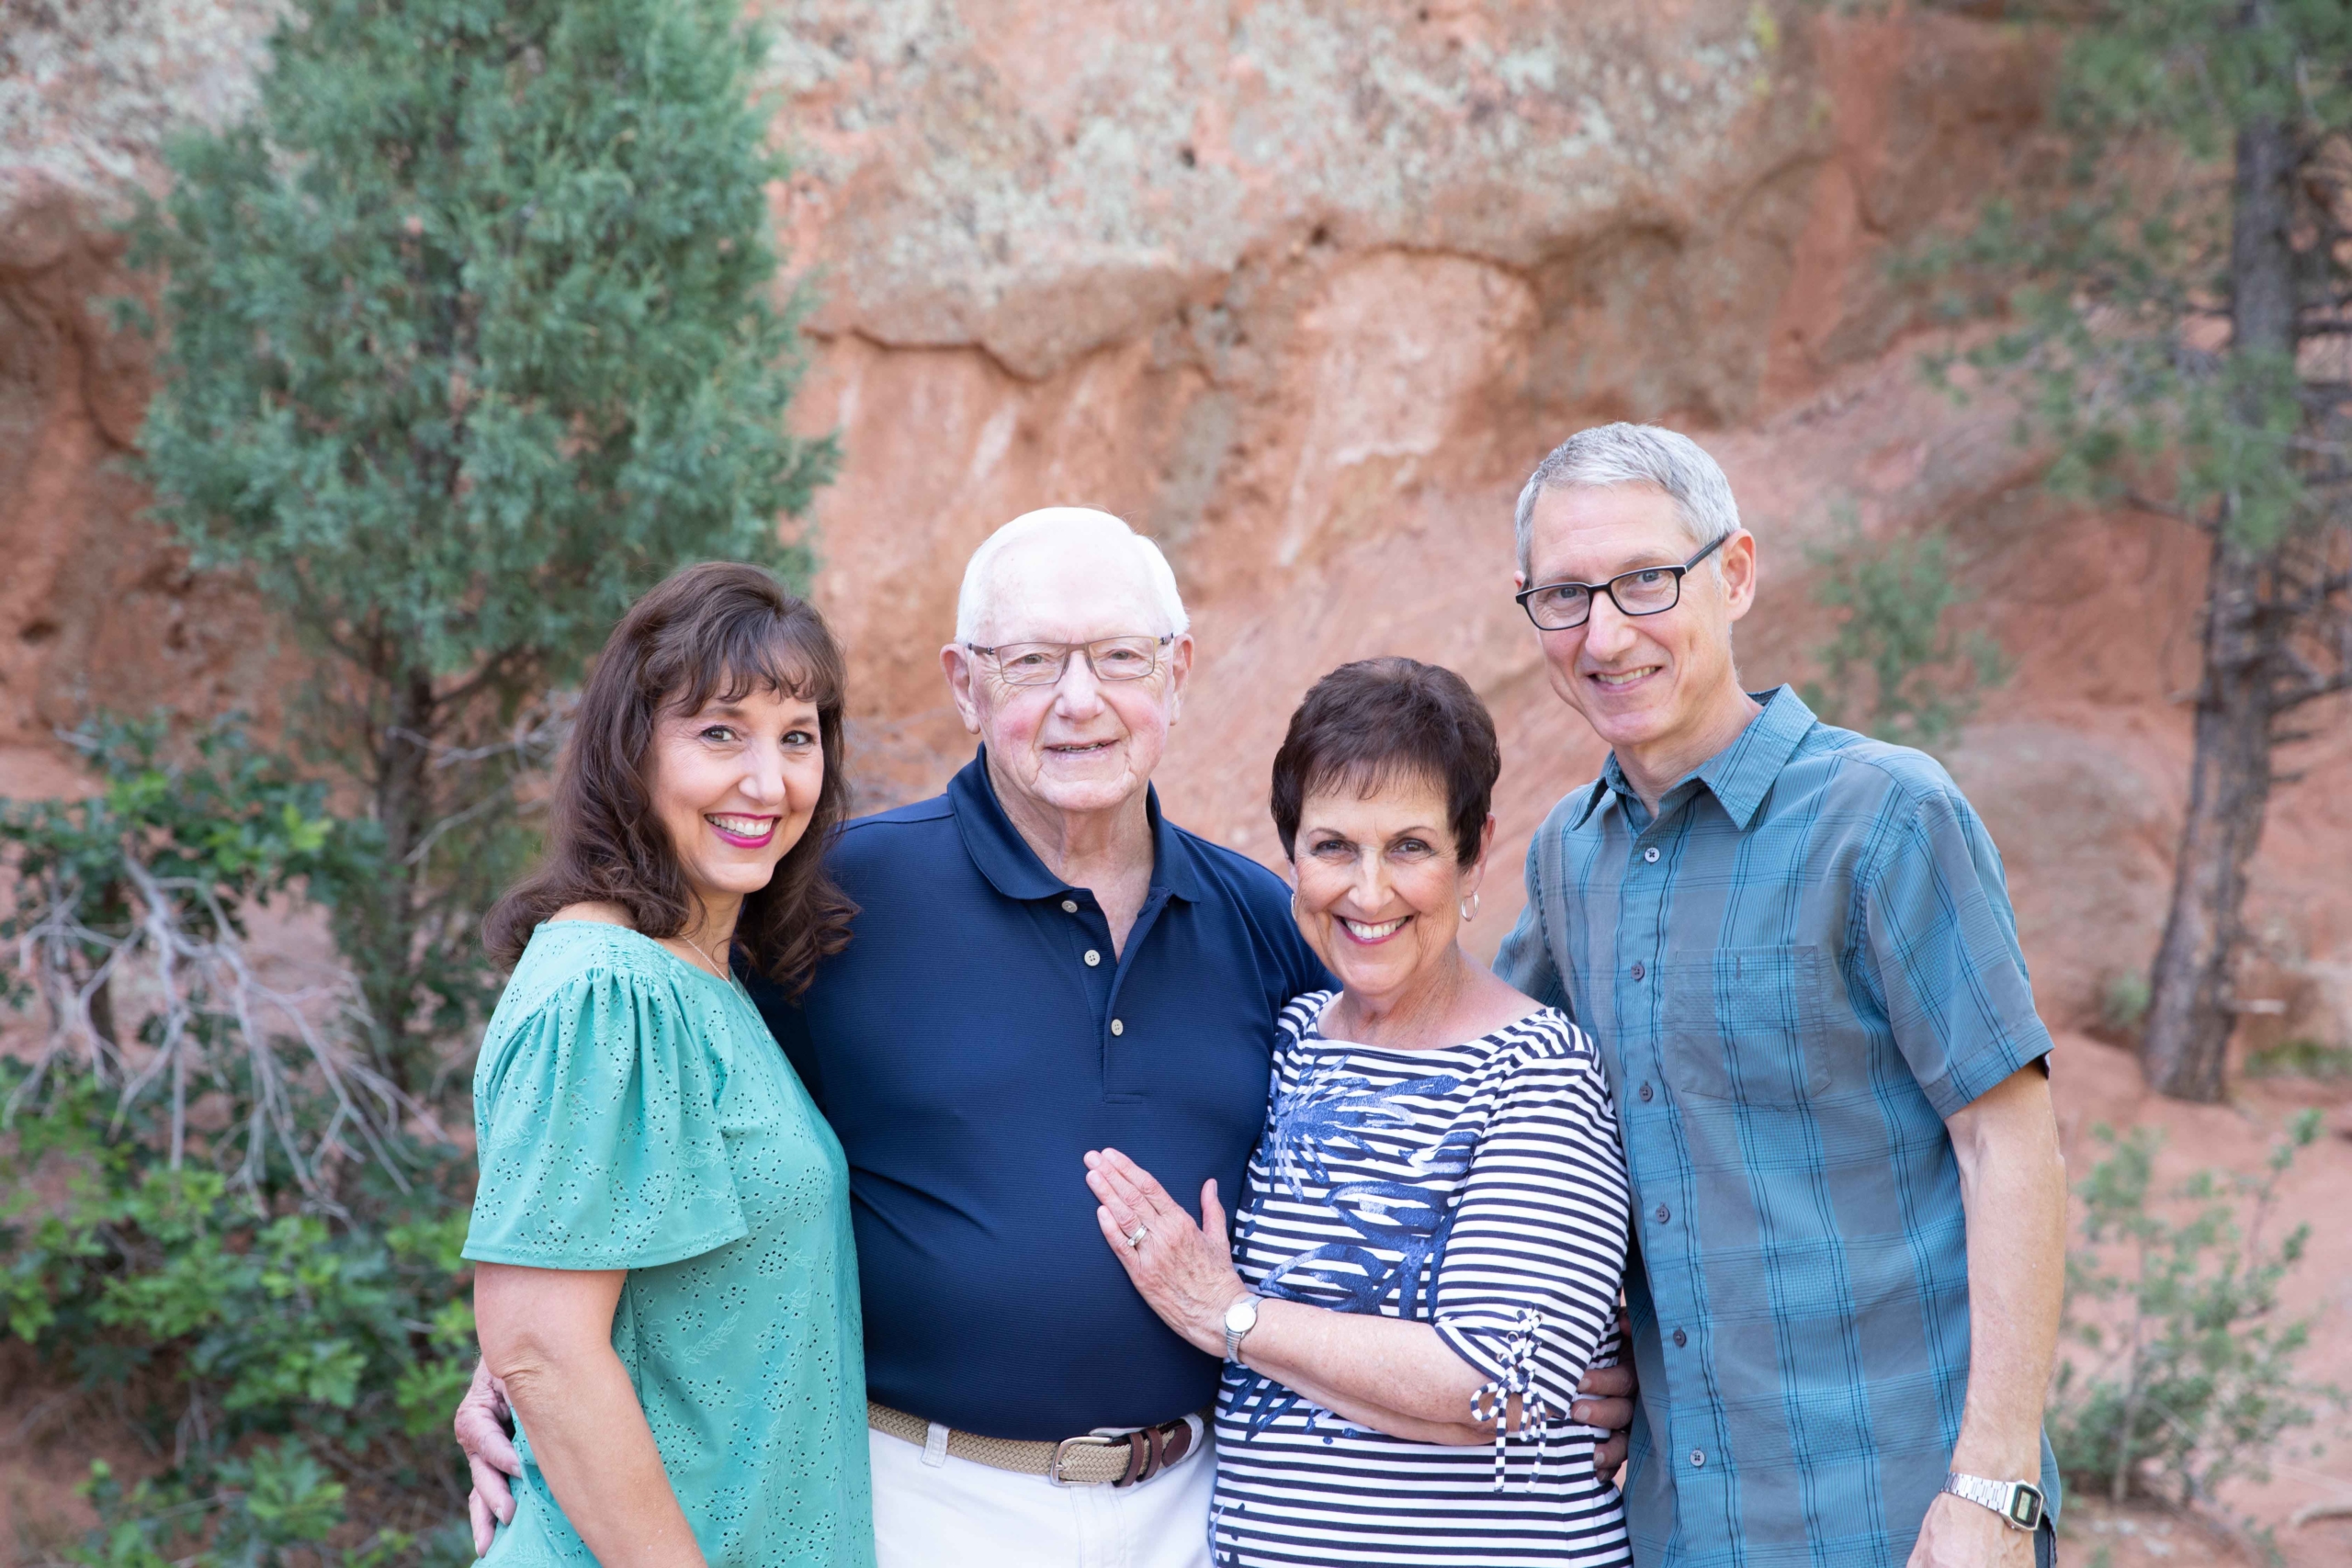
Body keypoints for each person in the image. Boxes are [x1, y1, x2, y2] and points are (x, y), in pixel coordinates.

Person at [456, 508, 1637, 1568]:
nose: (1080, 701)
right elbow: (628, 1146)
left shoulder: (1271, 926)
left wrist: (1573, 1362)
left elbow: (1433, 1123)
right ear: (965, 685)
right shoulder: (828, 897)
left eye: (1119, 658)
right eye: (1031, 664)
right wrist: (516, 1367)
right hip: (919, 1505)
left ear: (1174, 674)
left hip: (1200, 1507)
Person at [1493, 423, 2068, 1568]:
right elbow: (1521, 1118)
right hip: (1674, 1525)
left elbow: (2011, 1152)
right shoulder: (1568, 857)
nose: (1605, 633)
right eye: (1563, 596)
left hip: (1900, 1517)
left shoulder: (1888, 815)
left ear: (1736, 573)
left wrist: (1994, 1490)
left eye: (1645, 581)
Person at [1085, 657, 1634, 1568]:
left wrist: (1233, 1319)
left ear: (1474, 851)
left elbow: (1496, 1386)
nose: (1368, 892)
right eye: (1333, 846)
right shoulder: (1294, 1042)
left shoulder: (1536, 1070)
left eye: (1409, 846)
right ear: (1290, 856)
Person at [460, 563, 872, 1568]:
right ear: (631, 748)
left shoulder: (704, 981)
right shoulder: (611, 989)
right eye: (719, 732)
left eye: (797, 737)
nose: (767, 784)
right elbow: (543, 1349)